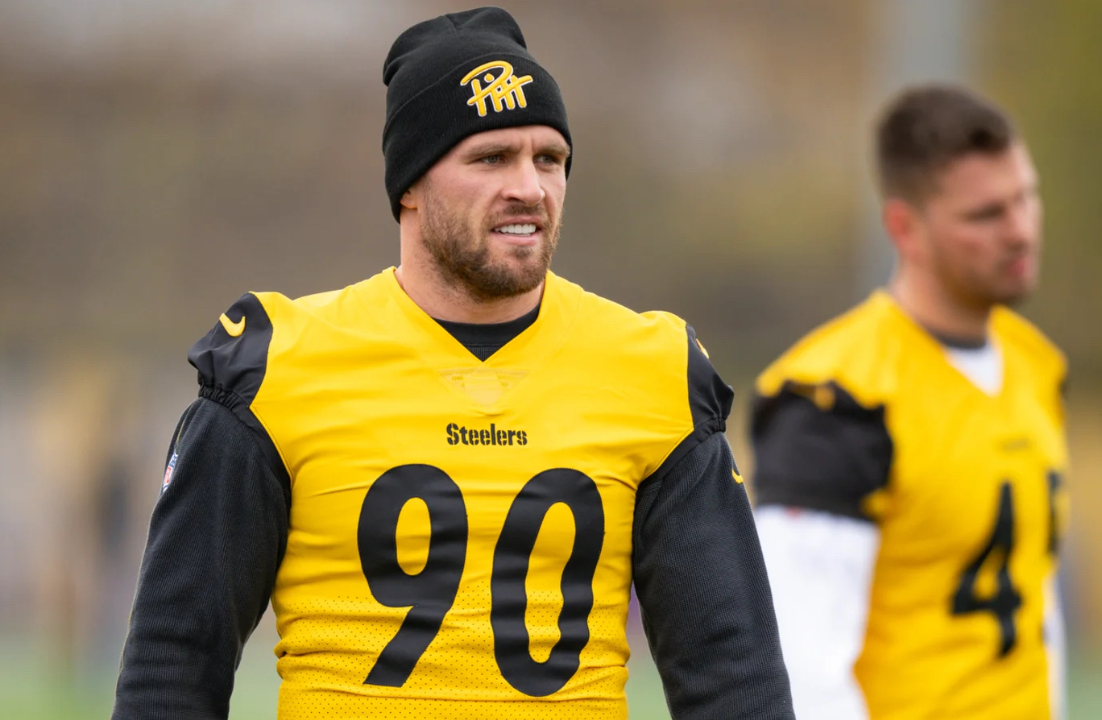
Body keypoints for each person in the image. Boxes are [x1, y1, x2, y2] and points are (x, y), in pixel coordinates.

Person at [111, 7, 793, 720]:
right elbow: (177, 656)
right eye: (491, 157)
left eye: (549, 159)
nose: (529, 187)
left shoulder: (651, 370)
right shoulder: (280, 365)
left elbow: (731, 672)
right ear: (409, 183)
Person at [751, 84, 1068, 720]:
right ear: (906, 228)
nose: (1021, 230)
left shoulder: (1035, 361)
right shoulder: (836, 398)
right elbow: (802, 665)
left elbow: (1037, 599)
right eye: (986, 214)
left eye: (1025, 198)